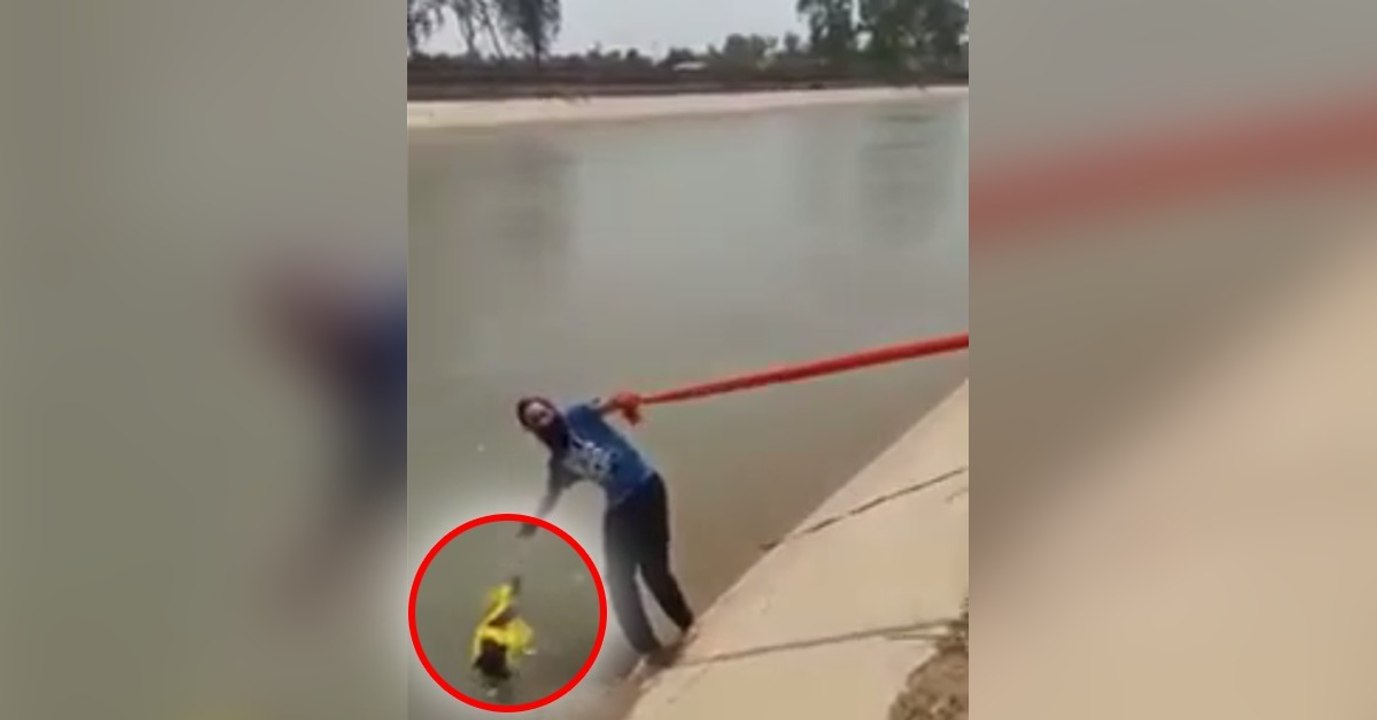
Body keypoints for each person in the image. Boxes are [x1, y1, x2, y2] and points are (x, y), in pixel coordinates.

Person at [515, 395, 695, 661]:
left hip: (646, 489)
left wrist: (625, 403)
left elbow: (609, 404)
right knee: (618, 580)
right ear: (531, 430)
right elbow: (551, 496)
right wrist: (532, 523)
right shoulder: (559, 463)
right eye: (536, 420)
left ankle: (688, 625)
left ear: (554, 409)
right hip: (619, 506)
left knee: (653, 570)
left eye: (545, 413)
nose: (545, 420)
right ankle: (649, 649)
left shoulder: (579, 416)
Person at [471, 576, 536, 699]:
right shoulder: (511, 632)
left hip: (494, 658)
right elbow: (523, 639)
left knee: (496, 678)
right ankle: (495, 686)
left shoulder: (490, 629)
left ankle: (493, 686)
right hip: (498, 658)